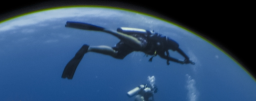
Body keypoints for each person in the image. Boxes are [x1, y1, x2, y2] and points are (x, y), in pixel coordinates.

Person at [62, 21, 194, 79]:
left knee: (117, 54)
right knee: (142, 47)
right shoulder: (165, 42)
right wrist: (186, 57)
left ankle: (88, 48)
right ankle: (111, 32)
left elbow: (168, 58)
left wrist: (182, 62)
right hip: (138, 40)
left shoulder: (160, 52)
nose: (172, 50)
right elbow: (177, 48)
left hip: (132, 43)